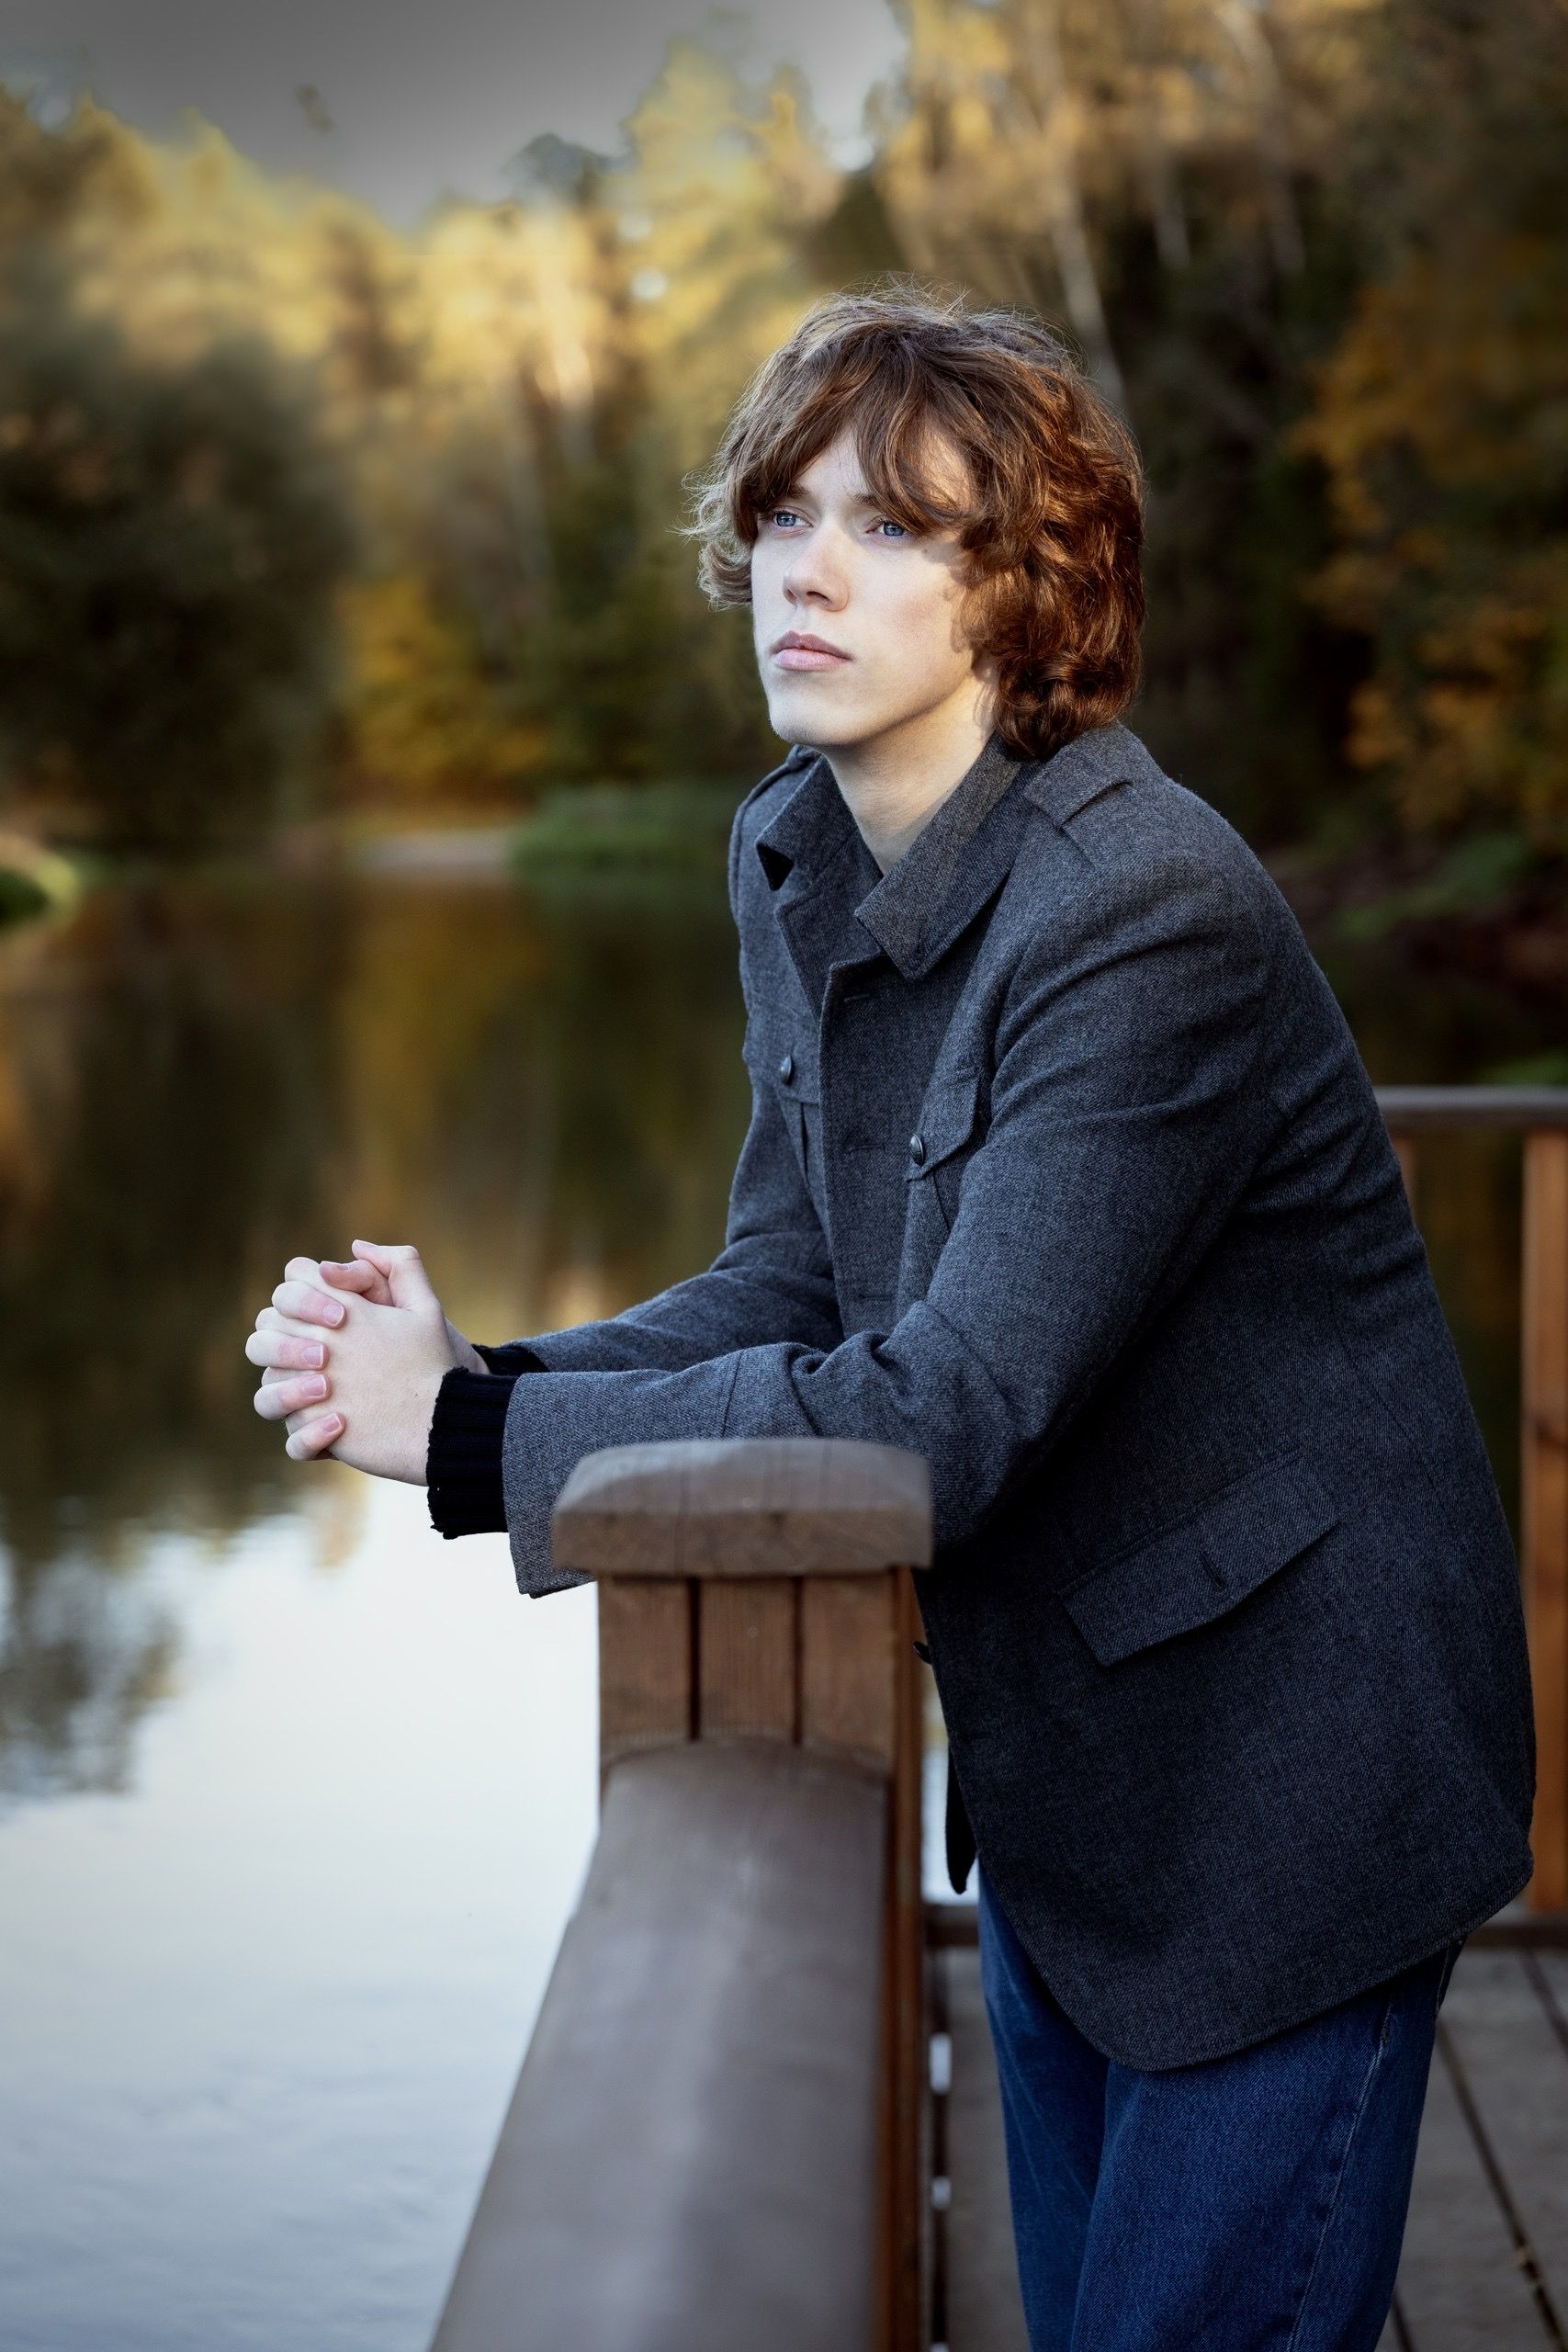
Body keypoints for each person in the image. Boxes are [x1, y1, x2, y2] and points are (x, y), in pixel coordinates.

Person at [243, 285, 1535, 2350]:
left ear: (1028, 586)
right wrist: (480, 1376)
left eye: (897, 526)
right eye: (782, 515)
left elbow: (944, 1412)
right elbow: (794, 1278)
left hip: (1292, 1785)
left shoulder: (1144, 906)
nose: (808, 570)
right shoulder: (801, 849)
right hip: (1065, 1783)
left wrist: (475, 1443)